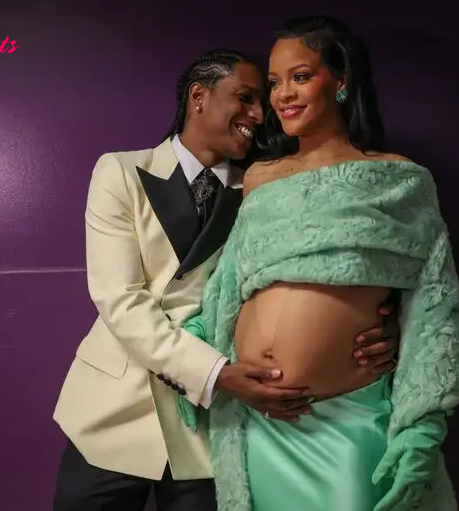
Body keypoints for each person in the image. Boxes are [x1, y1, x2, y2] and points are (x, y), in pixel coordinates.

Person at [51, 48, 401, 511]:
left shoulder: (264, 190)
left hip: (209, 427)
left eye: (263, 100)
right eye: (245, 98)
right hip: (114, 410)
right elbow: (120, 300)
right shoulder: (120, 172)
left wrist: (384, 323)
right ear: (199, 96)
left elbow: (322, 270)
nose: (260, 114)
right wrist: (217, 374)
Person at [178, 17, 459, 511]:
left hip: (347, 420)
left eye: (300, 76)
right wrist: (203, 358)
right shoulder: (260, 179)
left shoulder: (399, 179)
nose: (282, 95)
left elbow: (436, 307)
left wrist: (423, 428)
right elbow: (228, 286)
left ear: (340, 81)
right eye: (273, 83)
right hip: (260, 424)